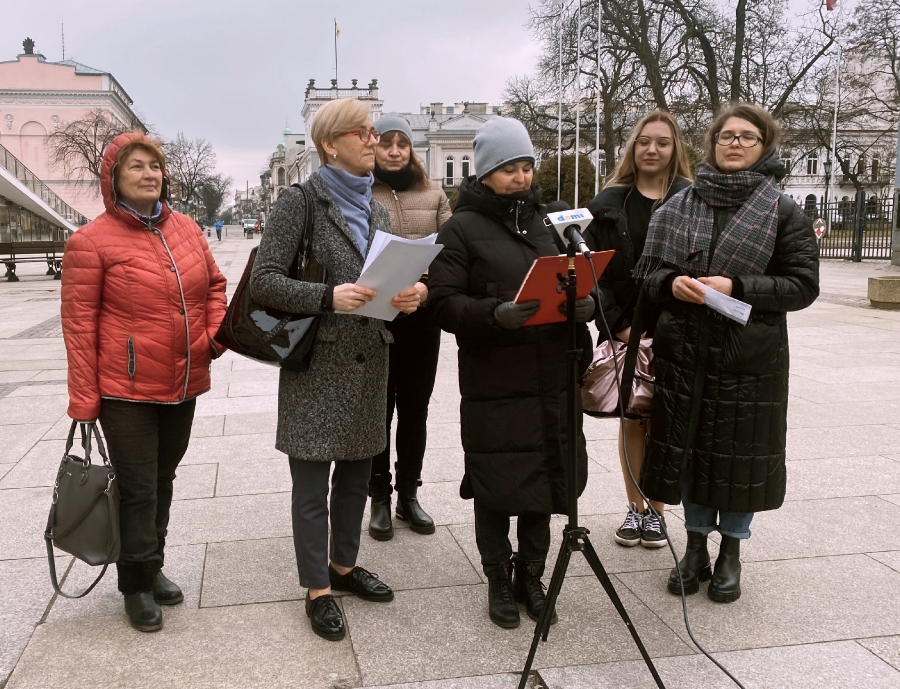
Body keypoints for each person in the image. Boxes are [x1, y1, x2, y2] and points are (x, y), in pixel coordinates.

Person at [249, 98, 421, 641]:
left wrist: (409, 295)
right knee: (311, 484)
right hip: (316, 363)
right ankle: (317, 587)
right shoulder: (299, 202)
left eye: (374, 132)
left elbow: (380, 283)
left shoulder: (376, 209)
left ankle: (344, 567)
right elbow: (263, 282)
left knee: (355, 476)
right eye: (363, 133)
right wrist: (327, 296)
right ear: (330, 144)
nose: (375, 140)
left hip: (370, 357)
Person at [634, 103, 819, 602]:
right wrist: (671, 284)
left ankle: (731, 553)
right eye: (726, 136)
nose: (734, 143)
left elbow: (803, 286)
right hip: (686, 353)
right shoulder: (678, 204)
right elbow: (648, 275)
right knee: (692, 452)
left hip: (748, 360)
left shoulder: (783, 211)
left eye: (747, 137)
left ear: (764, 146)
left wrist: (737, 285)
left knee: (740, 457)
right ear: (712, 143)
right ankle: (694, 547)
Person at [428, 117, 594, 629]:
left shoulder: (551, 222)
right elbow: (442, 302)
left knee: (545, 477)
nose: (521, 177)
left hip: (552, 375)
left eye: (526, 166)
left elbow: (581, 276)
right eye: (508, 169)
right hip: (496, 379)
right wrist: (493, 314)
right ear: (484, 173)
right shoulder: (460, 228)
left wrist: (586, 304)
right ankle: (498, 577)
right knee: (497, 482)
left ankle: (532, 575)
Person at [61, 133, 228, 632]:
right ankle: (134, 584)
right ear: (113, 179)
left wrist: (212, 339)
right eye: (136, 166)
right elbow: (78, 327)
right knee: (137, 487)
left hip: (184, 380)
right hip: (125, 390)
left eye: (155, 166)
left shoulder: (187, 229)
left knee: (162, 479)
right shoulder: (90, 241)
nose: (149, 174)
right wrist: (84, 400)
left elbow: (215, 287)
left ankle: (152, 565)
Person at [583, 111, 693, 549]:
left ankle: (658, 512)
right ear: (633, 147)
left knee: (664, 422)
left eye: (662, 142)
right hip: (624, 329)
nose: (652, 149)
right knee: (632, 419)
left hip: (677, 331)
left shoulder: (691, 200)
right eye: (644, 141)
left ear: (674, 148)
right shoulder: (609, 203)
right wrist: (619, 325)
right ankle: (635, 508)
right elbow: (592, 273)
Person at [367, 112, 452, 541]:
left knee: (415, 409)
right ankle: (378, 497)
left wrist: (425, 288)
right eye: (387, 144)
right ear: (374, 147)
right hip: (375, 318)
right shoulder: (362, 192)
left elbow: (451, 256)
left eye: (402, 144)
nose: (395, 151)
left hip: (420, 317)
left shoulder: (433, 193)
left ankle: (409, 494)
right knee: (378, 411)